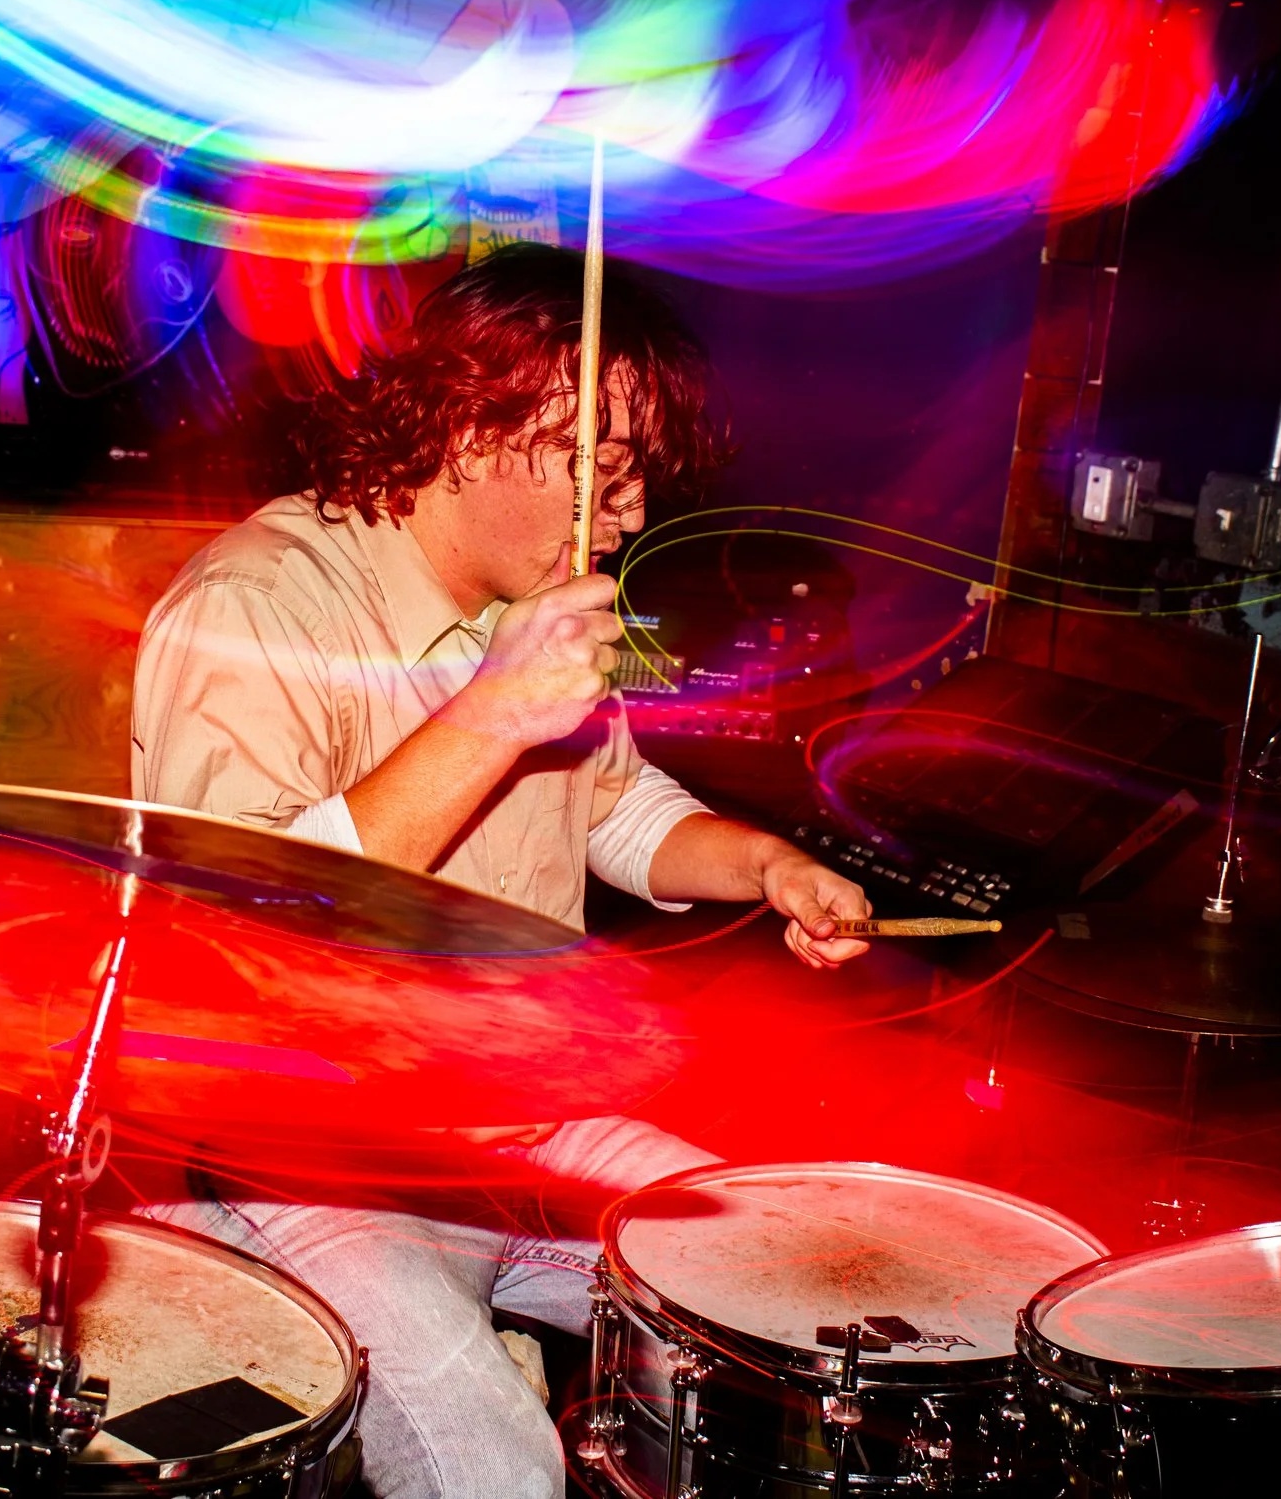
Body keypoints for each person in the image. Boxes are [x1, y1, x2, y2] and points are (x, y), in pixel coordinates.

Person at [128, 243, 872, 1498]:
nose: (631, 513)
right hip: (310, 1160)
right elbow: (233, 922)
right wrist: (486, 713)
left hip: (523, 1128)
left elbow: (612, 802)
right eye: (609, 470)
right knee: (497, 1462)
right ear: (474, 435)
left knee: (801, 1287)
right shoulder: (259, 600)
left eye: (639, 476)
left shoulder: (559, 604)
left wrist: (767, 864)